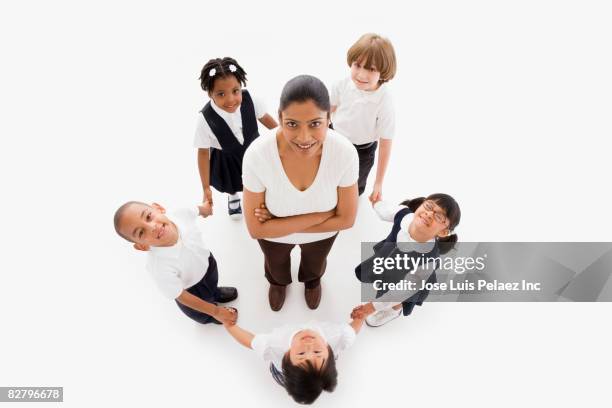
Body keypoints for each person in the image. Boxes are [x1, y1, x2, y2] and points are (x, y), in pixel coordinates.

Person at [241, 75, 359, 311]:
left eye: (315, 123)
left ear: (329, 118)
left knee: (315, 265)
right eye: (292, 124)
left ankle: (312, 281)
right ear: (280, 117)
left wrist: (278, 223)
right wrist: (323, 215)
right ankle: (278, 283)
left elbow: (347, 220)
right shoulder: (257, 155)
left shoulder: (344, 153)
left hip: (320, 238)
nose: (304, 138)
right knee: (276, 266)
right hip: (276, 240)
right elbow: (255, 230)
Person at [113, 200, 238, 325]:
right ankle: (211, 316)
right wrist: (215, 312)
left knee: (212, 282)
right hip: (192, 291)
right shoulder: (158, 267)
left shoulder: (180, 213)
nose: (152, 227)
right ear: (142, 246)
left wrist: (205, 209)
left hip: (207, 263)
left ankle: (215, 293)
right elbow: (182, 296)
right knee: (201, 311)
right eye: (141, 232)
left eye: (148, 216)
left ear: (158, 208)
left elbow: (195, 210)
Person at [353, 194, 461, 327]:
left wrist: (372, 307)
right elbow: (385, 212)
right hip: (387, 260)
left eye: (439, 216)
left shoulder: (427, 260)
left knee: (398, 296)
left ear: (443, 232)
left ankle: (393, 311)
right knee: (383, 280)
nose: (429, 214)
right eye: (429, 206)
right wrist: (376, 203)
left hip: (406, 278)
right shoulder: (404, 215)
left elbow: (403, 290)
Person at [222, 307, 366, 404]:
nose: (309, 346)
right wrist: (360, 317)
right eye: (317, 352)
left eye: (301, 354)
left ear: (286, 356)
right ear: (329, 350)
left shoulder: (273, 346)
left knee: (291, 378)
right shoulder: (337, 336)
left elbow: (250, 341)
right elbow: (352, 330)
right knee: (315, 374)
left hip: (284, 371)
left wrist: (230, 326)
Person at [194, 57, 278, 218]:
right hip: (227, 159)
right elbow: (203, 153)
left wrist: (284, 135)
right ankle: (233, 196)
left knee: (261, 177)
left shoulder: (250, 100)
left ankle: (263, 197)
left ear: (241, 86)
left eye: (235, 91)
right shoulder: (205, 119)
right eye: (221, 94)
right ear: (209, 93)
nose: (231, 99)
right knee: (230, 182)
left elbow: (264, 118)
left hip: (255, 151)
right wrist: (205, 187)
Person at [330, 33, 397, 201]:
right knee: (328, 175)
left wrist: (379, 183)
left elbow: (385, 144)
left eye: (371, 69)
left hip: (362, 151)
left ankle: (345, 207)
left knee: (353, 186)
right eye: (357, 65)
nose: (361, 74)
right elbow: (326, 112)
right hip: (334, 138)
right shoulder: (342, 84)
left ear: (383, 72)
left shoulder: (384, 100)